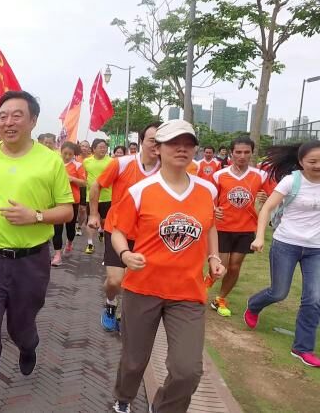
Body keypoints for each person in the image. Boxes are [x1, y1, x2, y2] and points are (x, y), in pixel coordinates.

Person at [0, 90, 74, 413]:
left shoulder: (50, 160)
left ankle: (28, 344)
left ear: (33, 121)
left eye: (17, 115)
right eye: (3, 116)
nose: (8, 122)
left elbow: (67, 210)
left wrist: (35, 216)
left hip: (31, 262)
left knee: (20, 326)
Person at [110, 119, 225, 413]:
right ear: (158, 148)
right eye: (174, 143)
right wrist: (125, 255)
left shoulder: (207, 190)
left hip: (188, 292)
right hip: (142, 287)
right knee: (134, 360)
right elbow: (118, 231)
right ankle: (123, 397)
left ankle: (163, 407)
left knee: (188, 370)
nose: (182, 149)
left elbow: (210, 225)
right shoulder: (140, 190)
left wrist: (213, 257)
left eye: (188, 144)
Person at [247, 140, 320, 368]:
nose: (318, 165)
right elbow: (267, 209)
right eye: (313, 161)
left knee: (314, 298)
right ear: (301, 162)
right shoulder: (291, 181)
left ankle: (302, 348)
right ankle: (254, 305)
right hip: (286, 243)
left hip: (316, 248)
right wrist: (259, 237)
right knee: (279, 292)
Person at [89, 123, 161, 332]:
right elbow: (96, 185)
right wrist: (94, 214)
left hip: (147, 235)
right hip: (117, 229)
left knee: (136, 281)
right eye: (152, 140)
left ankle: (125, 315)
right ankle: (110, 303)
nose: (156, 145)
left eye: (161, 141)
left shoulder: (166, 170)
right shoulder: (122, 163)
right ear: (141, 141)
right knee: (115, 281)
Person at [208, 136, 272, 318]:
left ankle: (220, 299)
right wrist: (214, 209)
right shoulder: (219, 175)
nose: (242, 156)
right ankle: (202, 287)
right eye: (238, 152)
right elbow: (207, 198)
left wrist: (265, 198)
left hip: (245, 228)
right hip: (222, 227)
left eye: (246, 152)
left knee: (235, 267)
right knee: (220, 266)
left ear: (252, 153)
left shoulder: (260, 176)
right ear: (231, 153)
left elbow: (272, 198)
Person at [51, 141, 86, 266]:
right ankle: (57, 255)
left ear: (74, 154)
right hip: (57, 200)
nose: (67, 156)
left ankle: (70, 242)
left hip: (72, 200)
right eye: (65, 153)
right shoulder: (55, 163)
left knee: (70, 228)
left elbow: (84, 183)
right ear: (61, 151)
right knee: (57, 228)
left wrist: (72, 179)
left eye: (70, 154)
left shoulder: (78, 165)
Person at [83, 139, 112, 254]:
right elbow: (86, 176)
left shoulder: (111, 161)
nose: (103, 149)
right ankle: (90, 244)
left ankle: (101, 231)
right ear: (93, 149)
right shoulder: (86, 162)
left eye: (104, 147)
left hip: (107, 197)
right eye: (100, 147)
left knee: (105, 221)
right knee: (91, 220)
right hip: (91, 197)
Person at [76, 140, 93, 237]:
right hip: (75, 185)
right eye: (82, 146)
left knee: (82, 209)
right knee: (76, 208)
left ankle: (79, 226)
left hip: (86, 186)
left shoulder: (92, 159)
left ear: (89, 148)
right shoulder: (75, 158)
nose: (84, 148)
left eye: (86, 146)